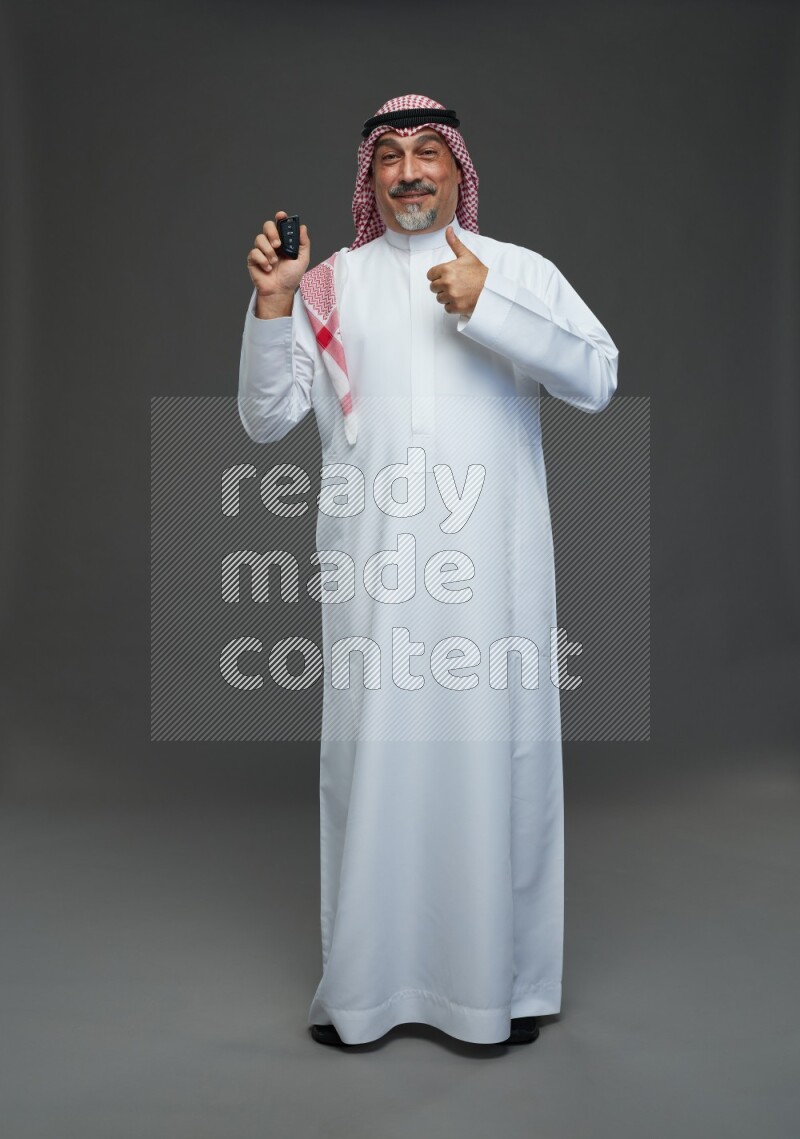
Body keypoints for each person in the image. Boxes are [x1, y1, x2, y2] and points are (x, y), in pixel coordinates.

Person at [238, 94, 619, 1048]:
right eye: (389, 159)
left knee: (496, 767)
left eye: (426, 154)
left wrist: (488, 306)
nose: (410, 172)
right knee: (376, 771)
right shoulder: (329, 284)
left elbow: (597, 379)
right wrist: (272, 302)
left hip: (493, 582)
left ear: (458, 169)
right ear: (369, 180)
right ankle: (366, 989)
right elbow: (265, 418)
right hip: (373, 581)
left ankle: (503, 987)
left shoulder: (519, 272)